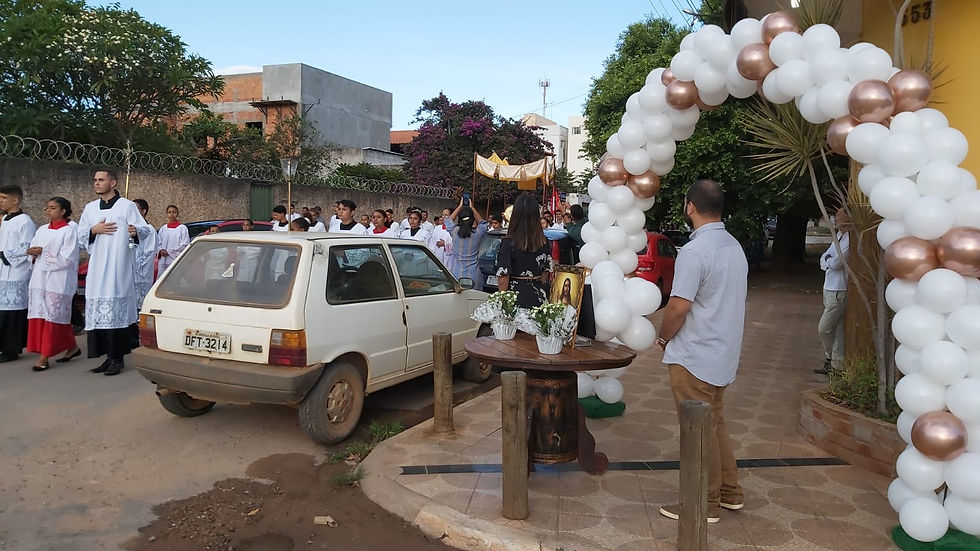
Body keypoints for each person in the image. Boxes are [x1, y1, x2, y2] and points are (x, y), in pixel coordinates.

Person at [656, 179, 748, 524]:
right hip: (722, 353)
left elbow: (678, 307)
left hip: (694, 355)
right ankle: (730, 492)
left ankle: (704, 502)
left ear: (690, 206)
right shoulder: (733, 246)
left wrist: (663, 337)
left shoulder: (695, 252)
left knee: (696, 430)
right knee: (715, 423)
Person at [77, 169, 153, 376]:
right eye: (95, 180)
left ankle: (117, 358)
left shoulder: (126, 206)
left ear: (113, 183)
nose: (97, 183)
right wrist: (93, 231)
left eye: (101, 180)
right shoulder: (90, 208)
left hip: (118, 266)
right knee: (100, 310)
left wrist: (135, 231)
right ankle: (107, 357)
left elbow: (145, 229)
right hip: (97, 266)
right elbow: (80, 235)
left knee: (116, 311)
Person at [26, 197, 80, 370]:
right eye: (47, 207)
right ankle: (72, 347)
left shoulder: (69, 231)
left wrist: (43, 252)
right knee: (44, 315)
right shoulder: (42, 229)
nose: (48, 210)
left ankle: (44, 357)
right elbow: (33, 249)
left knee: (53, 316)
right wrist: (32, 253)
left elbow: (68, 258)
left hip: (59, 279)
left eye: (52, 208)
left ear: (63, 211)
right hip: (39, 277)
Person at [495, 193, 553, 308]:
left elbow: (503, 278)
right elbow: (545, 273)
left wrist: (502, 302)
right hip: (539, 297)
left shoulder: (508, 242)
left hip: (515, 298)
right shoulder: (544, 241)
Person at [0, 185, 36, 362]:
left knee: (13, 312)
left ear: (15, 200)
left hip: (16, 271)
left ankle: (12, 349)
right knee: (3, 311)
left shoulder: (25, 221)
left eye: (4, 198)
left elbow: (26, 246)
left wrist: (5, 255)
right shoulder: (5, 219)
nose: (1, 201)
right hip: (3, 270)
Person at [816, 208, 850, 375]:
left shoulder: (849, 240)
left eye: (839, 216)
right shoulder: (839, 236)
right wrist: (828, 261)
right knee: (837, 329)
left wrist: (828, 262)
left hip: (839, 289)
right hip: (829, 287)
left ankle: (831, 357)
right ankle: (836, 364)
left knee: (824, 328)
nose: (836, 219)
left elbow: (836, 263)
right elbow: (824, 257)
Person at [445, 196, 487, 288]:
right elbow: (483, 223)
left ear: (459, 219)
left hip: (456, 274)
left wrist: (460, 206)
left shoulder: (455, 231)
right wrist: (472, 208)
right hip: (474, 275)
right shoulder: (478, 233)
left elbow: (447, 221)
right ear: (472, 220)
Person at [132, 199, 157, 308]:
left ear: (143, 211)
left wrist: (136, 265)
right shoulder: (130, 228)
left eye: (135, 209)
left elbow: (149, 253)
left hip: (141, 273)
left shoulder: (149, 230)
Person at [157, 205, 190, 275]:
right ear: (167, 214)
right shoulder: (163, 229)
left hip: (175, 259)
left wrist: (169, 251)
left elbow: (185, 245)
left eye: (174, 212)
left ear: (177, 214)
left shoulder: (182, 228)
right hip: (163, 260)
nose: (172, 214)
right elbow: (158, 243)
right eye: (169, 212)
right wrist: (160, 250)